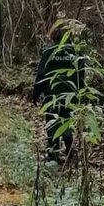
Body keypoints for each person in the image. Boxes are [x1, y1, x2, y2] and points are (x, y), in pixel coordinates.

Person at [32, 21, 85, 164]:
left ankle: (53, 155)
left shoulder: (49, 51)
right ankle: (69, 150)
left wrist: (36, 93)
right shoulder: (76, 52)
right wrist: (81, 94)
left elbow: (42, 74)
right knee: (67, 120)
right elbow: (81, 76)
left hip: (52, 93)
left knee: (52, 122)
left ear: (54, 33)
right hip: (71, 94)